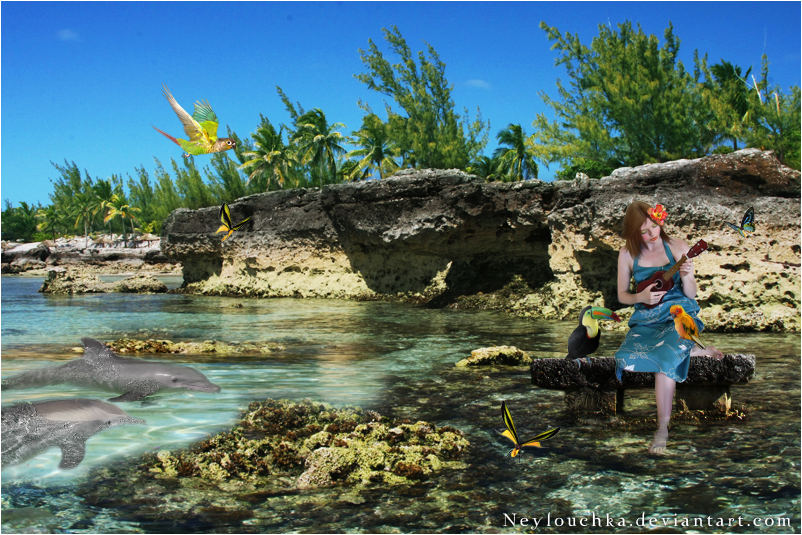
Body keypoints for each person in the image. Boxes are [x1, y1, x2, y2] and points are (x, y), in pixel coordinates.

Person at [614, 201, 723, 454]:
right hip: (647, 319)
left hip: (679, 315)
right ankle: (694, 352)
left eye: (654, 226)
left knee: (663, 358)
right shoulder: (627, 253)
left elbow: (691, 293)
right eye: (643, 231)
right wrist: (640, 298)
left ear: (659, 220)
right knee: (624, 358)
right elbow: (622, 295)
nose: (651, 234)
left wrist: (686, 274)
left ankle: (662, 427)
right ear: (633, 233)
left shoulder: (678, 246)